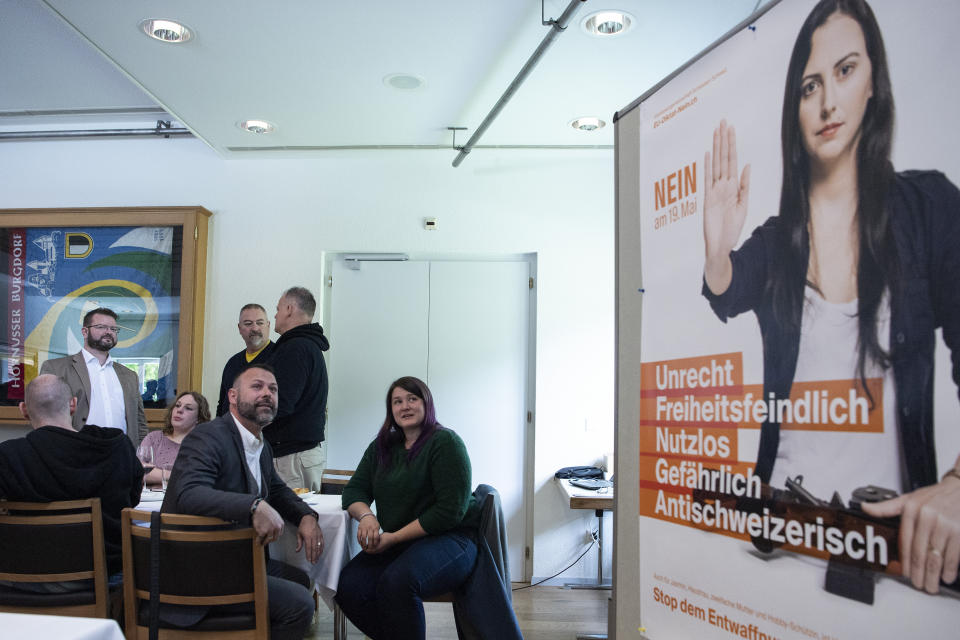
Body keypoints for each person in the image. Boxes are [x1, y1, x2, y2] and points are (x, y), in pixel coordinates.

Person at [700, 0, 960, 594]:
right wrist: (717, 254)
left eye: (845, 71)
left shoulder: (930, 210)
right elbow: (726, 292)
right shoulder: (778, 240)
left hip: (892, 565)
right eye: (810, 85)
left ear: (874, 82)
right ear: (794, 106)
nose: (827, 103)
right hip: (780, 550)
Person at [161, 364, 322, 640]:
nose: (267, 394)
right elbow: (188, 493)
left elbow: (276, 489)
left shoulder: (259, 442)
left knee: (301, 580)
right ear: (233, 396)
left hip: (232, 559)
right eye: (257, 386)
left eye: (273, 389)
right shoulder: (208, 436)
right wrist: (253, 506)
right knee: (299, 605)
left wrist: (306, 516)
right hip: (198, 570)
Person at [335, 376, 481, 640]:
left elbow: (449, 511)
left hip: (451, 540)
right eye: (397, 401)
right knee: (348, 587)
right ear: (391, 410)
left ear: (426, 403)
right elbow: (354, 490)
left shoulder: (446, 442)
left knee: (398, 583)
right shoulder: (382, 446)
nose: (405, 406)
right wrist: (367, 516)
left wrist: (392, 538)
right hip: (397, 543)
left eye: (412, 399)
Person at [0, 374, 144, 589]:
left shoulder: (9, 457)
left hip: (27, 579)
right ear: (73, 404)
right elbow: (132, 499)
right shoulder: (117, 447)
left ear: (23, 410)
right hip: (105, 577)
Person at [40, 307, 148, 447]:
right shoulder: (56, 368)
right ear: (85, 332)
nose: (108, 332)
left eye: (113, 329)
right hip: (75, 453)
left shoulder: (129, 376)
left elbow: (140, 422)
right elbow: (45, 417)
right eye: (101, 327)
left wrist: (139, 455)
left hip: (121, 456)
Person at [265, 286, 330, 490]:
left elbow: (281, 403)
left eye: (278, 308)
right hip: (295, 456)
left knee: (292, 522)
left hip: (291, 459)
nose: (275, 315)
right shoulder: (305, 346)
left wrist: (246, 422)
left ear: (290, 309)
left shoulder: (296, 348)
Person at [138, 390, 210, 487]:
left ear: (199, 418)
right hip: (148, 500)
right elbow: (137, 473)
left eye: (188, 408)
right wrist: (176, 475)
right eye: (177, 405)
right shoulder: (154, 438)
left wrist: (157, 474)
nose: (179, 410)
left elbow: (198, 480)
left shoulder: (203, 445)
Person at [216, 303, 275, 416]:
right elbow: (222, 403)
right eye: (248, 324)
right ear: (239, 328)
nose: (255, 328)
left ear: (268, 325)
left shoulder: (279, 357)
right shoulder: (232, 363)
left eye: (260, 323)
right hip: (229, 431)